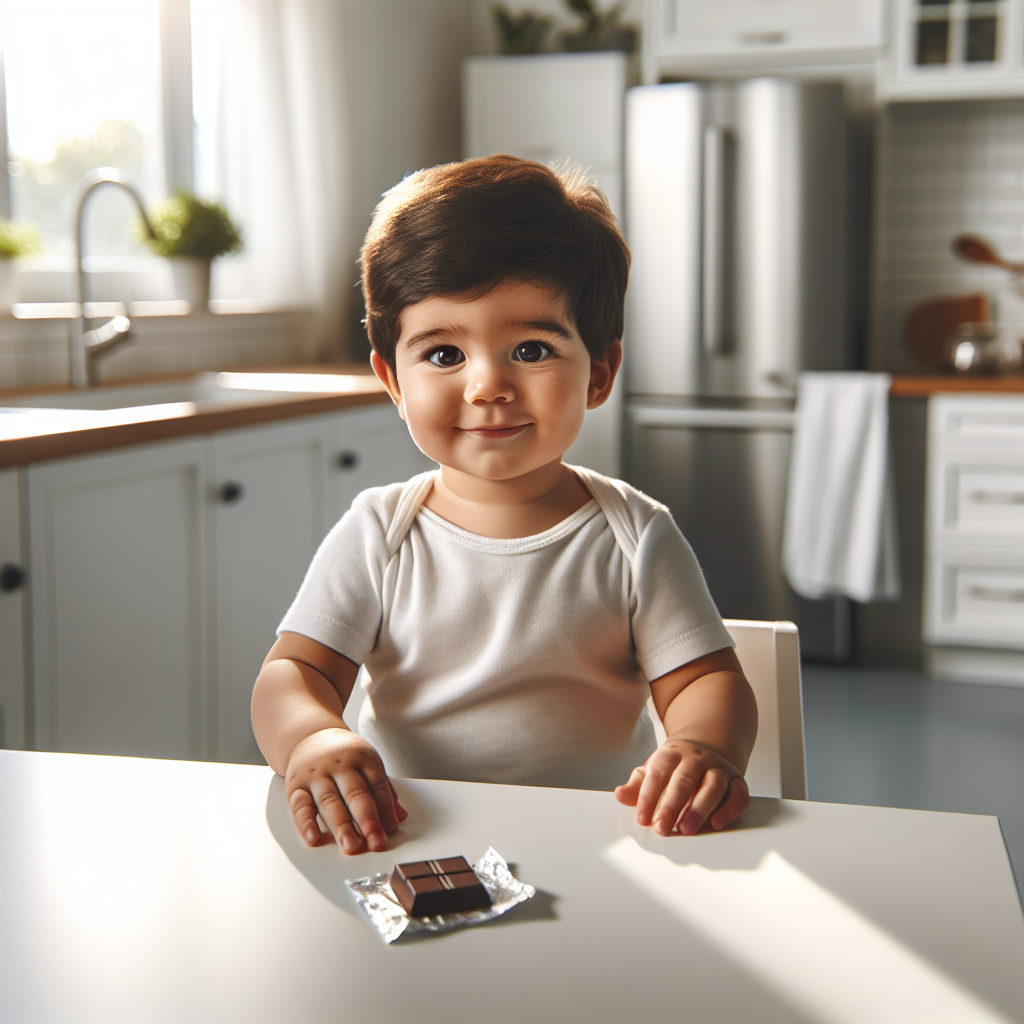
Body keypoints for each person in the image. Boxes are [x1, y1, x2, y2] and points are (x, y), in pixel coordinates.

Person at [251, 154, 758, 855]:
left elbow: (704, 678)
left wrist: (704, 746)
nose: (487, 385)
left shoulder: (635, 535)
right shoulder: (379, 533)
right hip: (409, 839)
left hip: (597, 843)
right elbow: (294, 673)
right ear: (392, 380)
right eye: (443, 355)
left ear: (599, 373)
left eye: (529, 348)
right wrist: (313, 737)